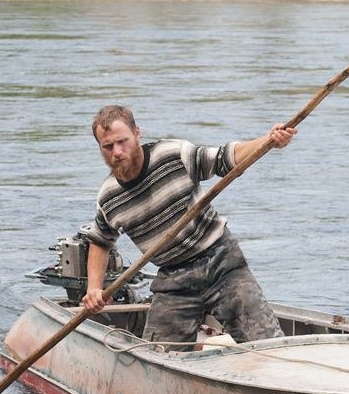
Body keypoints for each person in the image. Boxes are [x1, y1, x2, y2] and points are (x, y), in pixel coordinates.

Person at [81, 104, 296, 350]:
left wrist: (268, 141)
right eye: (107, 146)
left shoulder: (172, 154)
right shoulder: (109, 197)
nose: (116, 152)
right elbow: (100, 241)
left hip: (221, 262)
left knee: (271, 345)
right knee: (158, 357)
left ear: (137, 133)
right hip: (174, 279)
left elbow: (225, 157)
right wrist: (94, 288)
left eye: (122, 142)